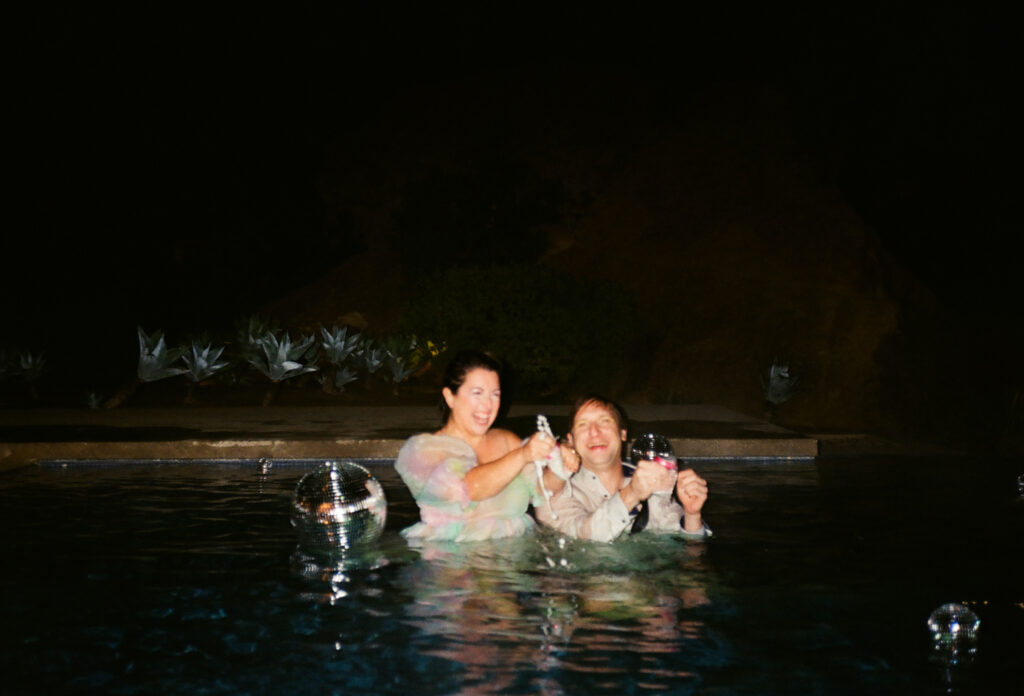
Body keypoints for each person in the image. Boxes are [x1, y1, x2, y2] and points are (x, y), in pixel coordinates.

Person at [394, 350, 580, 541]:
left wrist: (560, 466)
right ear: (450, 397)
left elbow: (541, 491)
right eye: (477, 393)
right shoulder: (423, 451)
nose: (487, 405)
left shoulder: (506, 441)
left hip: (512, 560)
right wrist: (523, 455)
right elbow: (470, 489)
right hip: (451, 563)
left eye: (495, 394)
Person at [533, 394, 711, 542]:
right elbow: (587, 536)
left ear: (622, 433)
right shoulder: (554, 487)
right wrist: (632, 493)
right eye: (583, 425)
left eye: (604, 421)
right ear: (570, 439)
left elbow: (689, 546)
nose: (594, 431)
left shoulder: (648, 479)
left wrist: (692, 514)